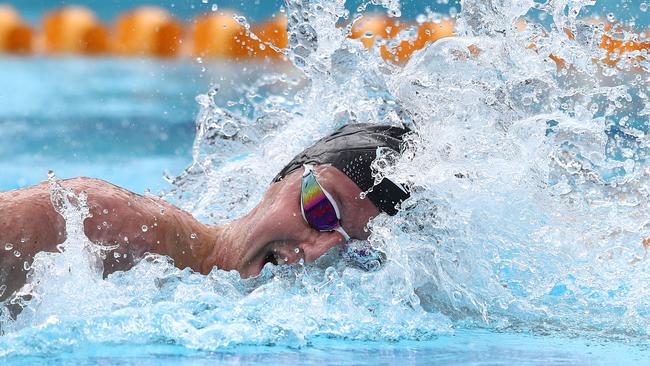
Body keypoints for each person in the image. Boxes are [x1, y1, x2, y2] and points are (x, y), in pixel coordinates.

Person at [0, 123, 411, 301]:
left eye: (352, 245)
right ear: (281, 180)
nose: (320, 251)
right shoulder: (103, 220)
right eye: (321, 210)